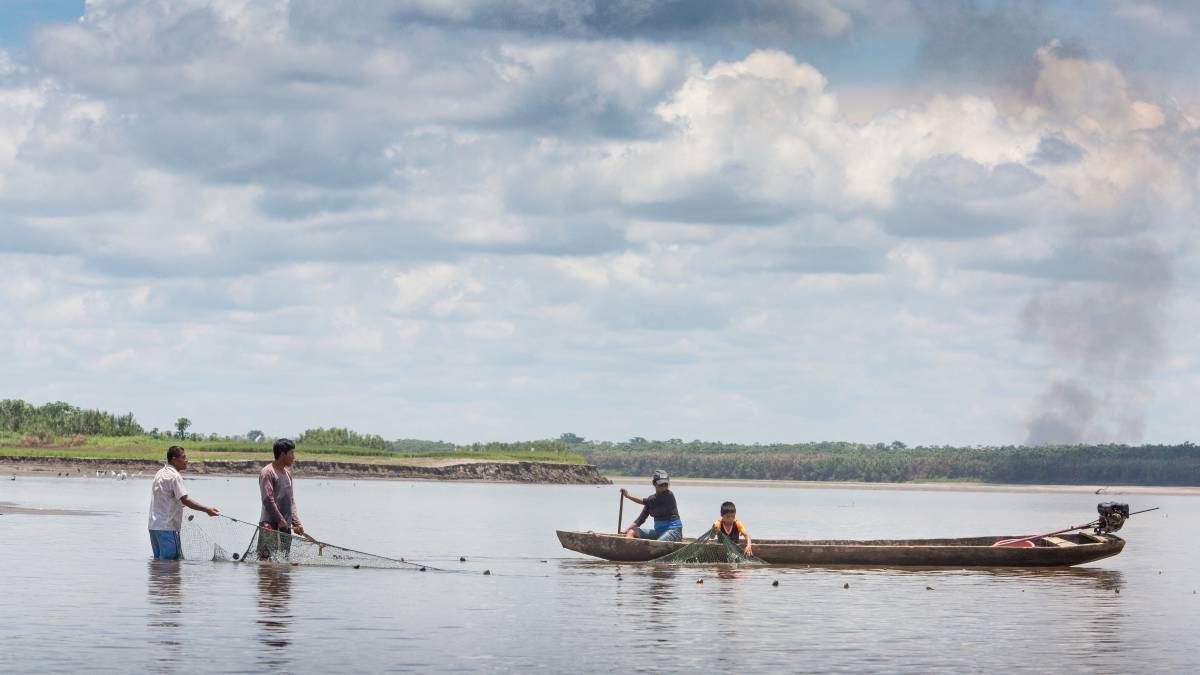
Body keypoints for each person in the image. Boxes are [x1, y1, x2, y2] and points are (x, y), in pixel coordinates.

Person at [148, 445, 220, 560]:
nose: (186, 460)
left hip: (154, 527)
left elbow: (166, 497)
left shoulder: (160, 473)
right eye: (183, 457)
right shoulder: (175, 476)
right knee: (170, 566)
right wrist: (207, 510)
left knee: (158, 564)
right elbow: (185, 500)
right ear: (174, 459)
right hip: (167, 528)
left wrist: (178, 504)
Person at [258, 438, 304, 560]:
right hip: (269, 524)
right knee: (266, 563)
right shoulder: (268, 472)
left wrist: (296, 523)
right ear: (283, 454)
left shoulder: (288, 473)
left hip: (286, 527)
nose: (293, 457)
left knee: (283, 561)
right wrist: (280, 519)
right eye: (292, 453)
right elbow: (268, 499)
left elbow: (291, 500)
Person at [621, 469, 683, 541]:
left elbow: (645, 501)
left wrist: (628, 496)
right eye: (661, 484)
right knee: (631, 531)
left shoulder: (669, 495)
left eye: (666, 484)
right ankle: (630, 550)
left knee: (657, 544)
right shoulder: (651, 501)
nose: (664, 487)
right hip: (659, 532)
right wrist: (626, 531)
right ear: (654, 483)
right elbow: (640, 519)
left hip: (673, 531)